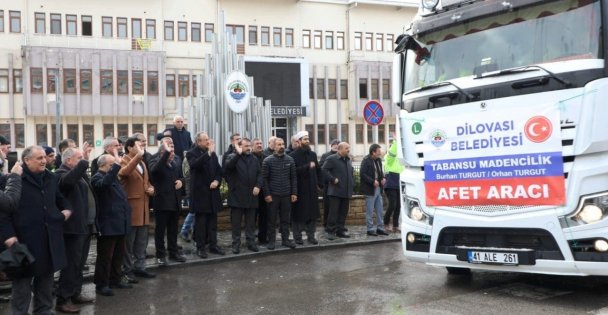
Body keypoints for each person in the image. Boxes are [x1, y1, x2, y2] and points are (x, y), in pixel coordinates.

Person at [0, 146, 72, 314]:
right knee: (22, 285)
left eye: (44, 158)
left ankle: (44, 311)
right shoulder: (12, 179)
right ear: (26, 160)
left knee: (46, 281)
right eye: (39, 158)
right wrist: (9, 236)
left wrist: (66, 212)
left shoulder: (51, 178)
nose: (44, 161)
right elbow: (3, 214)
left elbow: (60, 201)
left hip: (48, 239)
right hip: (23, 240)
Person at [55, 147, 95, 313]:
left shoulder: (78, 173)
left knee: (79, 264)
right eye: (78, 158)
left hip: (83, 226)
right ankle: (62, 299)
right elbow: (67, 183)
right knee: (71, 265)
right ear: (68, 160)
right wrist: (84, 160)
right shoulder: (60, 173)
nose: (81, 162)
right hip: (71, 229)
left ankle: (75, 293)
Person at [91, 153, 132, 297]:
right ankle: (101, 284)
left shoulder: (113, 177)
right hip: (108, 224)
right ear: (102, 165)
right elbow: (104, 185)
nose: (114, 167)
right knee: (105, 257)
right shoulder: (97, 178)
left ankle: (115, 279)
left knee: (118, 255)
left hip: (120, 222)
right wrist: (116, 166)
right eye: (111, 165)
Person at [118, 137, 155, 280]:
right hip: (132, 209)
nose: (142, 147)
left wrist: (152, 188)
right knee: (129, 244)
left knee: (141, 242)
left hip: (144, 208)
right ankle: (128, 270)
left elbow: (147, 182)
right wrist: (138, 156)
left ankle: (140, 267)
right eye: (139, 145)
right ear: (129, 148)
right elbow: (124, 173)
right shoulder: (124, 161)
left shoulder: (142, 163)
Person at [149, 137, 187, 265]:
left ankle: (173, 252)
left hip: (175, 202)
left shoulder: (176, 160)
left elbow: (182, 176)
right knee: (160, 231)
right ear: (162, 153)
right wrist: (166, 154)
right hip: (162, 203)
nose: (172, 155)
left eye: (173, 152)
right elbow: (155, 170)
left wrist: (181, 181)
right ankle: (160, 255)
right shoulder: (154, 161)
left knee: (173, 230)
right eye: (169, 153)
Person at [187, 132, 225, 258]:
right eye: (205, 140)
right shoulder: (191, 153)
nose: (208, 142)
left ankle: (213, 245)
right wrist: (208, 153)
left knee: (213, 222)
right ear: (198, 142)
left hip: (212, 194)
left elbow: (219, 171)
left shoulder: (212, 154)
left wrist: (217, 180)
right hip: (200, 194)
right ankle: (200, 247)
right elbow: (195, 164)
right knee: (201, 224)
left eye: (208, 139)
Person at [224, 138, 263, 254]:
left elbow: (260, 174)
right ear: (239, 147)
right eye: (246, 146)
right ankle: (236, 244)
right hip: (237, 196)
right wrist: (238, 154)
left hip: (252, 196)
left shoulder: (254, 158)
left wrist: (258, 185)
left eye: (249, 145)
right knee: (236, 223)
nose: (249, 148)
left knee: (251, 223)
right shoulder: (232, 157)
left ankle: (251, 242)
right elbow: (228, 167)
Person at [261, 137, 297, 250]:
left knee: (285, 219)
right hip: (273, 195)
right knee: (272, 220)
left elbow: (293, 178)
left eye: (283, 144)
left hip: (286, 194)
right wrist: (267, 194)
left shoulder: (290, 160)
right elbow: (264, 179)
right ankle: (271, 241)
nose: (281, 146)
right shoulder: (267, 160)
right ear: (274, 146)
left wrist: (294, 193)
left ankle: (285, 240)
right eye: (279, 144)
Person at [289, 131, 321, 245]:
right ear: (299, 141)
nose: (307, 141)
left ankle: (311, 236)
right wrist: (307, 166)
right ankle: (297, 237)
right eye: (305, 139)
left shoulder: (312, 154)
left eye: (308, 139)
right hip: (299, 189)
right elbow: (293, 172)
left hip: (312, 189)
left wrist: (320, 183)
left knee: (312, 214)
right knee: (298, 214)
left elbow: (318, 169)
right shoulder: (292, 155)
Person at [322, 142, 354, 240]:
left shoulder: (348, 160)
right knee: (334, 212)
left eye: (349, 148)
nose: (348, 150)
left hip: (346, 191)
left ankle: (340, 230)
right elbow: (323, 170)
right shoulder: (332, 159)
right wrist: (332, 179)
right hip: (335, 191)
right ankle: (330, 231)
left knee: (343, 213)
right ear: (340, 149)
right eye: (346, 148)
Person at [361, 144, 389, 236]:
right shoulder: (366, 160)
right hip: (370, 189)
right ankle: (370, 229)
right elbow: (363, 174)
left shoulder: (378, 160)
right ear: (373, 152)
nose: (380, 153)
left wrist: (383, 178)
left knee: (380, 210)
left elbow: (380, 172)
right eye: (378, 151)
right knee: (370, 211)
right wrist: (372, 181)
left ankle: (380, 228)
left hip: (378, 189)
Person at [384, 134, 404, 233]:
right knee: (392, 205)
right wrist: (396, 142)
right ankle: (386, 223)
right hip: (391, 183)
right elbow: (392, 152)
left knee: (398, 206)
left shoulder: (400, 158)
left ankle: (395, 226)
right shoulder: (389, 157)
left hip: (399, 183)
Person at [251, 138, 268, 244]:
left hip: (264, 192)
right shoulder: (250, 158)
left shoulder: (266, 158)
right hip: (253, 192)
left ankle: (263, 237)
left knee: (264, 216)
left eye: (261, 143)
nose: (259, 145)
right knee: (252, 217)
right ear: (252, 146)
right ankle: (251, 239)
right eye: (257, 144)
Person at [319, 139, 339, 228]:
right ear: (331, 145)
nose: (336, 146)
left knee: (336, 206)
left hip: (338, 185)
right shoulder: (325, 155)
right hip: (328, 184)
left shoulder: (340, 156)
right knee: (327, 205)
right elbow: (321, 168)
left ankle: (336, 224)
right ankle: (326, 223)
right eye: (334, 144)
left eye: (338, 145)